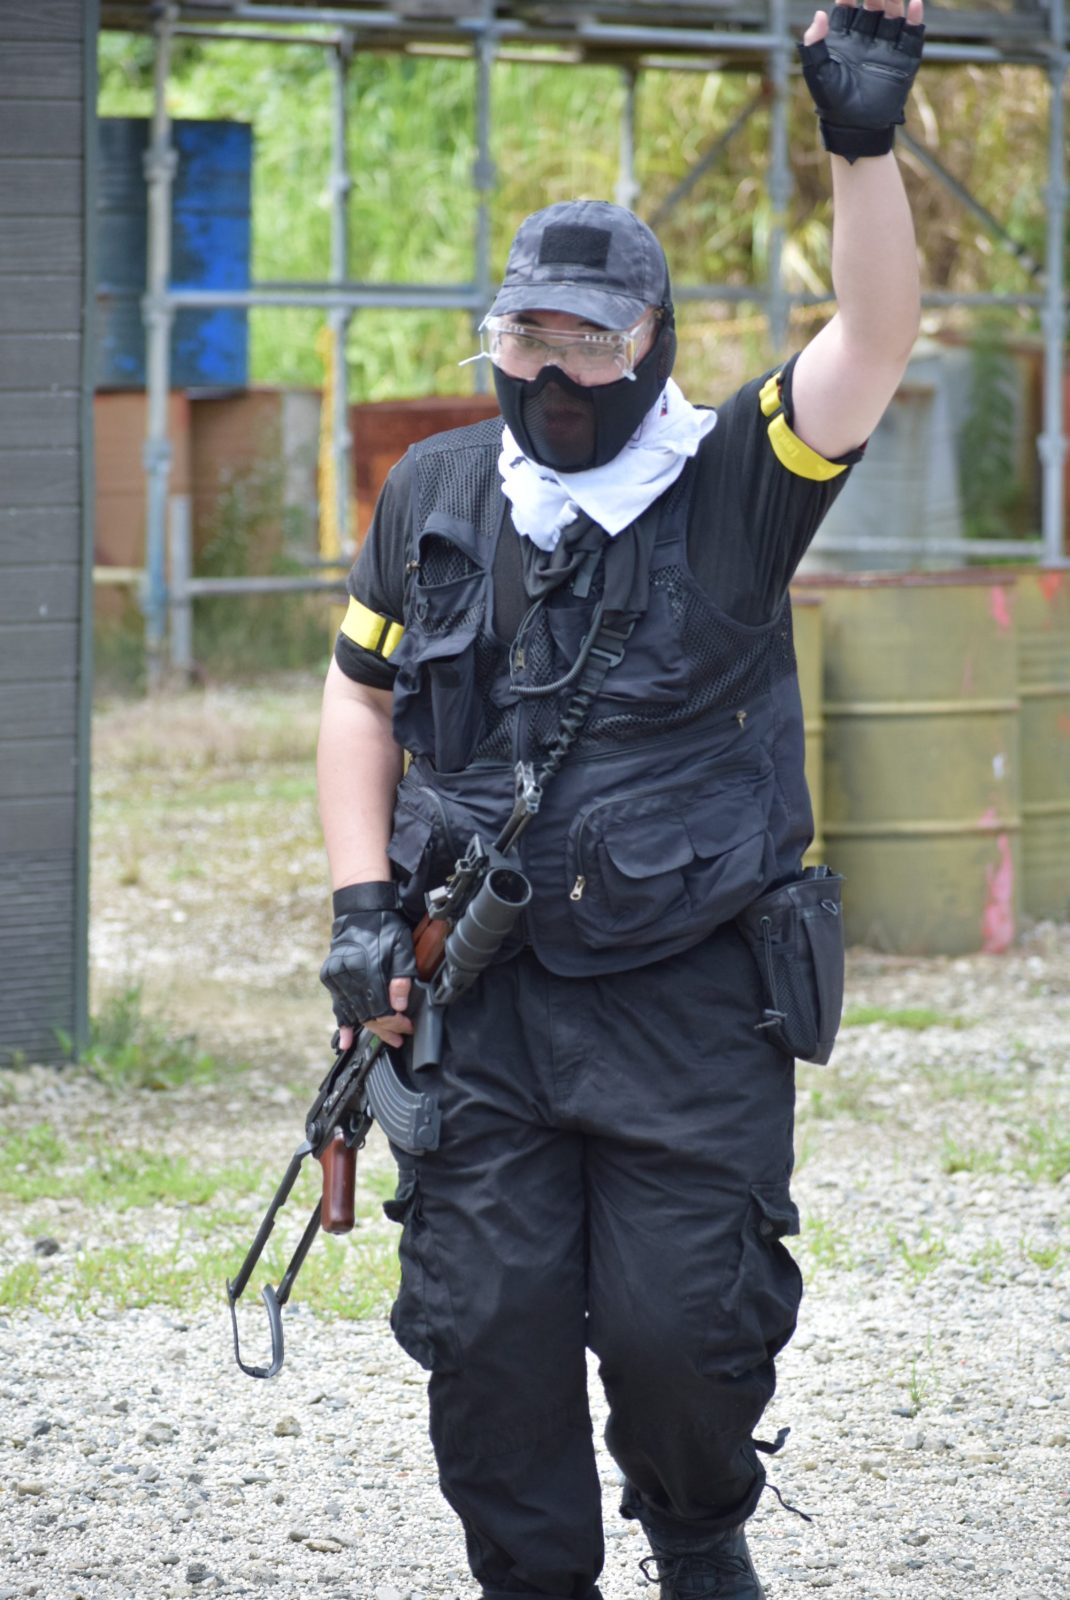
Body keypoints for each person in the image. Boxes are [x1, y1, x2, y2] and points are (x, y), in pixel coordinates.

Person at [317, 4, 924, 1596]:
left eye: (589, 341)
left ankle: (698, 1535)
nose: (555, 370)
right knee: (486, 1332)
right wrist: (360, 908)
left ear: (649, 339)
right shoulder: (435, 490)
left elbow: (871, 340)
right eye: (528, 339)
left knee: (680, 1329)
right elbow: (360, 696)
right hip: (477, 994)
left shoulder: (737, 479)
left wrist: (859, 146)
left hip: (690, 997)